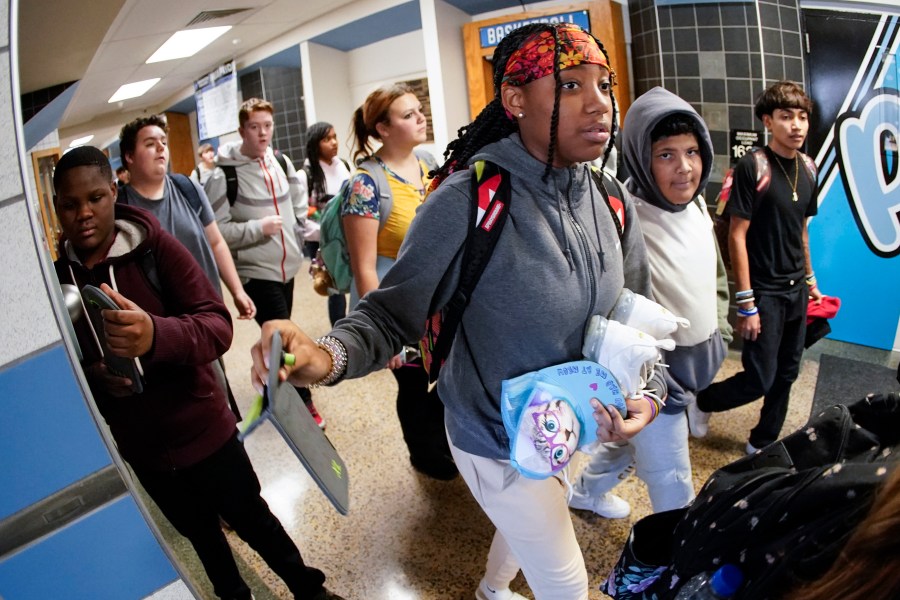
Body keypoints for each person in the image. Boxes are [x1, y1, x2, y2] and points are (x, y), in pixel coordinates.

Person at [251, 23, 656, 600]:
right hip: (493, 435)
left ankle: (492, 587)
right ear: (516, 101)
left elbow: (637, 317)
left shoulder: (610, 198)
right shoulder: (469, 200)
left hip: (566, 425)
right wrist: (325, 355)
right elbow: (391, 317)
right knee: (565, 581)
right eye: (570, 85)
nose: (599, 104)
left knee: (537, 519)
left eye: (603, 84)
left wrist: (648, 392)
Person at [53, 145, 343, 600]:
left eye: (95, 198)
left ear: (114, 191)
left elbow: (216, 325)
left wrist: (156, 335)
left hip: (203, 430)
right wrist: (95, 377)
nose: (84, 213)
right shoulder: (59, 281)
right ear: (56, 209)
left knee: (252, 518)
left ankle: (310, 591)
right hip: (143, 448)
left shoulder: (155, 249)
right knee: (202, 538)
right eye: (69, 205)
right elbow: (64, 368)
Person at [570, 87, 732, 518]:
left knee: (625, 448)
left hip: (694, 369)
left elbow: (712, 272)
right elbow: (608, 307)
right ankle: (670, 569)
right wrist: (644, 380)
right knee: (674, 485)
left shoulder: (696, 204)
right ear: (641, 157)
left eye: (693, 152)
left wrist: (721, 330)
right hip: (653, 386)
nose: (685, 168)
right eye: (666, 155)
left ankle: (585, 491)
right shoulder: (623, 216)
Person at [693, 81, 824, 453]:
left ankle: (762, 440)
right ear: (768, 121)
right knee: (759, 378)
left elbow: (801, 229)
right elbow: (737, 235)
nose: (796, 125)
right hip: (763, 291)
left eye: (802, 117)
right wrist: (747, 302)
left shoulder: (809, 168)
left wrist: (811, 279)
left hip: (796, 290)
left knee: (787, 373)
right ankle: (703, 401)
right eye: (786, 117)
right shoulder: (754, 166)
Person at [336, 83, 456, 481]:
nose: (420, 118)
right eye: (408, 115)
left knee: (446, 377)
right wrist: (383, 331)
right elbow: (364, 266)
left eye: (419, 110)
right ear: (382, 129)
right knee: (413, 385)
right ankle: (423, 453)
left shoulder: (427, 163)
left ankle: (443, 442)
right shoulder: (364, 185)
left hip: (438, 300)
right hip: (399, 307)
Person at [205, 98, 327, 429]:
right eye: (255, 127)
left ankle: (275, 391)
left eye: (267, 126)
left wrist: (298, 223)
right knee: (281, 338)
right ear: (242, 129)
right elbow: (218, 232)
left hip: (287, 269)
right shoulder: (223, 176)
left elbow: (298, 197)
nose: (263, 133)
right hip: (256, 272)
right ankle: (303, 406)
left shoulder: (281, 162)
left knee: (280, 331)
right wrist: (259, 228)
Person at [301, 121, 350, 326]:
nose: (334, 142)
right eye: (326, 139)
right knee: (334, 287)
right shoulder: (306, 174)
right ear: (315, 144)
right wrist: (323, 231)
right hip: (322, 239)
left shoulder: (344, 166)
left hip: (348, 235)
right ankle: (340, 330)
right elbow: (302, 213)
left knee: (354, 279)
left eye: (335, 137)